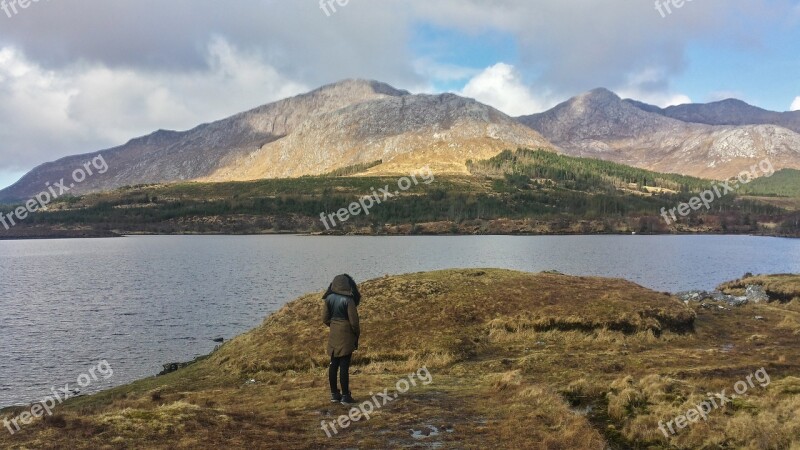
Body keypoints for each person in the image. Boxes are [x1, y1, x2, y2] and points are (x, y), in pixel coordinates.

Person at [322, 274, 361, 405]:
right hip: (346, 334)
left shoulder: (328, 298)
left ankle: (334, 394)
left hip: (334, 333)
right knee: (344, 365)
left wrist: (333, 325)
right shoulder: (349, 300)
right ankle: (345, 396)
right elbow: (354, 322)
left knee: (333, 364)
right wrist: (356, 334)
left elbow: (325, 319)